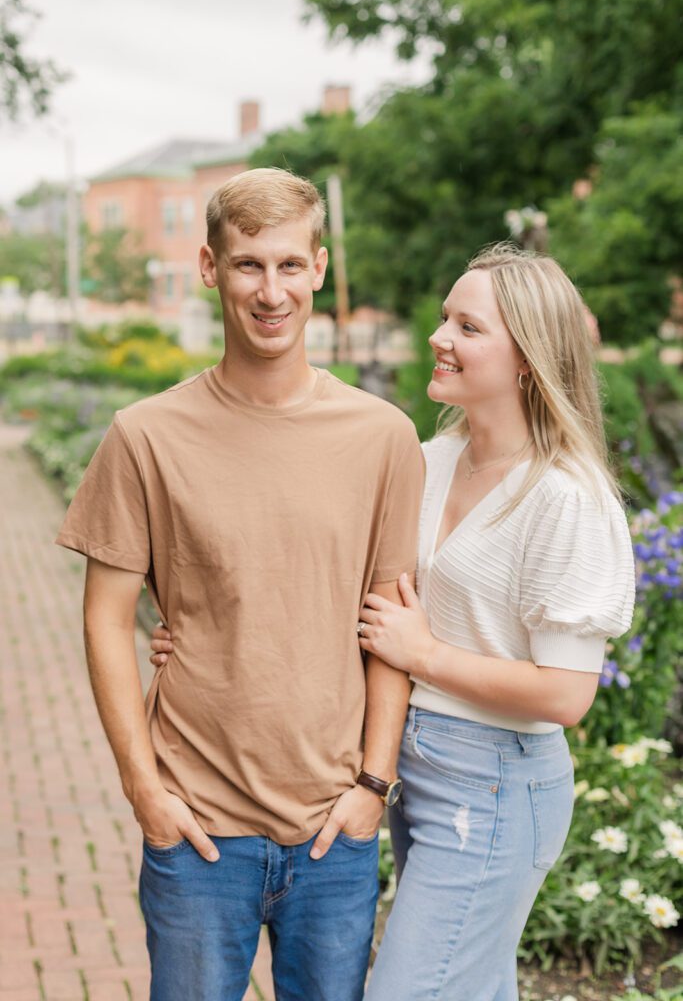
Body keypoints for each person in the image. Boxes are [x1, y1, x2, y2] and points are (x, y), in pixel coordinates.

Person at [152, 242, 635, 999]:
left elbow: (567, 695)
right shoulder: (426, 458)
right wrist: (211, 630)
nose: (439, 337)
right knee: (468, 986)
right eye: (446, 318)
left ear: (525, 358)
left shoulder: (565, 497)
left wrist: (424, 654)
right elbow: (346, 582)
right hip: (416, 773)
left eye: (468, 328)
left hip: (497, 784)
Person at [56, 168, 424, 1001]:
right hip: (196, 833)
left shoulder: (381, 438)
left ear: (320, 269)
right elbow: (106, 622)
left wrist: (372, 787)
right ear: (209, 267)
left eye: (290, 265)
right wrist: (143, 790)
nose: (271, 291)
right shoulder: (144, 436)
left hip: (333, 833)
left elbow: (388, 625)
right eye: (249, 264)